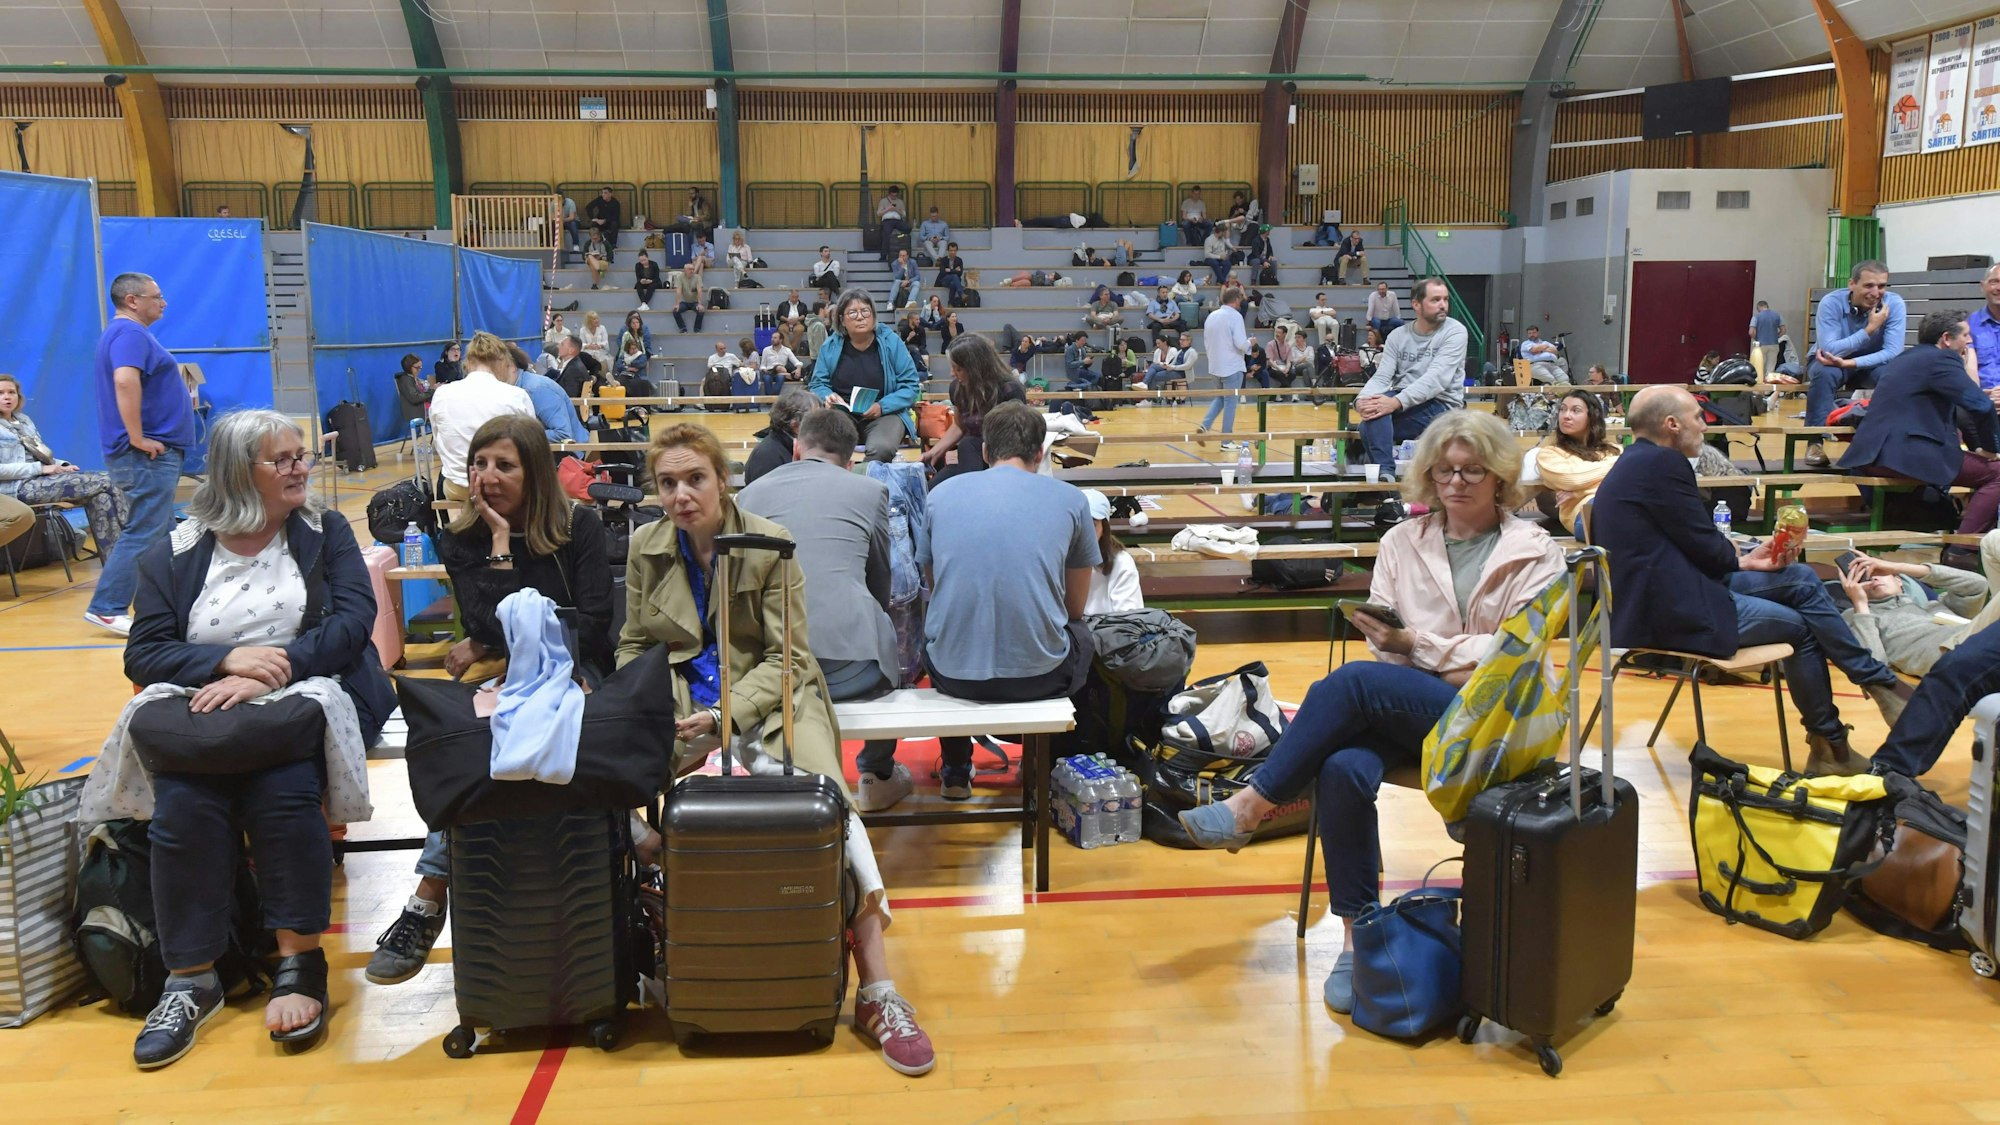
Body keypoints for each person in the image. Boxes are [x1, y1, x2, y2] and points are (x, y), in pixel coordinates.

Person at [1176, 410, 1565, 1012]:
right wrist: (1419, 655)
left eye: (1472, 471)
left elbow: (1512, 653)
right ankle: (1360, 939)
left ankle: (1252, 804)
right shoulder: (1400, 542)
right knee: (1342, 768)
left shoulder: (1533, 549)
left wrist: (1422, 649)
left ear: (1499, 478)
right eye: (1444, 471)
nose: (1456, 483)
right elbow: (1383, 635)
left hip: (1498, 719)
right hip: (1419, 708)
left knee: (1355, 685)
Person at [619, 422, 936, 1076]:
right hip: (681, 711)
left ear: (722, 479)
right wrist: (658, 702)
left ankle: (878, 987)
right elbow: (632, 644)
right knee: (611, 789)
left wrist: (721, 713)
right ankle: (673, 947)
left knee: (834, 811)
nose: (682, 494)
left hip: (774, 702)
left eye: (694, 478)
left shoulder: (771, 543)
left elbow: (787, 658)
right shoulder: (644, 548)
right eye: (668, 482)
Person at [109, 409, 393, 1067]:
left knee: (284, 786)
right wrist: (223, 662)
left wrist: (276, 667)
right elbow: (145, 651)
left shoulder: (325, 531)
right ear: (241, 472)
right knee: (182, 804)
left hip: (303, 697)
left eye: (301, 455)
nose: (300, 467)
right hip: (207, 705)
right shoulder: (177, 549)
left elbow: (354, 623)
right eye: (283, 458)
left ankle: (300, 960)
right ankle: (190, 978)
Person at [368, 414, 613, 987]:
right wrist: (501, 545)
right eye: (480, 464)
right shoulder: (464, 539)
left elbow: (595, 622)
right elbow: (488, 627)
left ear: (533, 471)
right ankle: (430, 898)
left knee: (515, 724)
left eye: (504, 464)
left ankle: (429, 895)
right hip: (513, 676)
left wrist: (510, 638)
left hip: (577, 669)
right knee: (476, 739)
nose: (488, 476)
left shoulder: (581, 527)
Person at [1591, 386, 1912, 776]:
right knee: (1803, 628)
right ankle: (1837, 739)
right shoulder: (1663, 464)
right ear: (1671, 425)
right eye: (1697, 417)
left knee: (1799, 577)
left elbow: (1693, 546)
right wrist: (1738, 559)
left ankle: (1864, 701)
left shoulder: (1636, 462)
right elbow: (1707, 549)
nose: (1704, 427)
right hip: (1671, 612)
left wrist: (1744, 561)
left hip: (1669, 594)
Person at [739, 407, 913, 812]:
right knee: (883, 621)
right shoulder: (868, 491)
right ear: (851, 459)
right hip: (853, 667)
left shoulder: (749, 495)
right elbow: (881, 581)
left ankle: (786, 766)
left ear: (797, 447)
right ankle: (876, 770)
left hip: (774, 670)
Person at [926, 402, 1099, 798]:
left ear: (985, 452)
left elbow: (937, 590)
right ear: (1040, 454)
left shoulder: (940, 495)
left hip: (953, 674)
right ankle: (1048, 767)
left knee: (940, 625)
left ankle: (955, 768)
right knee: (1084, 635)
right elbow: (1075, 608)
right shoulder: (1071, 500)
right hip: (1038, 676)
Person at [84, 272, 195, 636]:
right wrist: (137, 437)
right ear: (132, 300)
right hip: (145, 455)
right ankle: (107, 606)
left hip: (154, 454)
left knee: (163, 533)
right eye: (156, 296)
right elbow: (124, 380)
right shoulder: (129, 333)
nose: (163, 303)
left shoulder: (133, 334)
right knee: (145, 529)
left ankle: (169, 606)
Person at [1839, 310, 2000, 551]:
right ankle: (1961, 550)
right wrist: (1990, 450)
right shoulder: (1944, 360)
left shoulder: (1905, 358)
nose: (1969, 341)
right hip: (1903, 455)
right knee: (1997, 473)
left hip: (1870, 454)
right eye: (1965, 335)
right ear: (1946, 338)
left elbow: (1957, 410)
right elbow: (1981, 406)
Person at [0, 372, 130, 559]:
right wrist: (41, 469)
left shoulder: (24, 421)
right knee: (108, 479)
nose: (6, 397)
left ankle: (117, 565)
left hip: (41, 479)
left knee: (101, 498)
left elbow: (40, 453)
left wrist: (61, 465)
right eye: (1, 393)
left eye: (11, 392)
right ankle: (134, 539)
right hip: (17, 488)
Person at [1837, 532, 2000, 677]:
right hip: (1952, 654)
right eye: (1864, 577)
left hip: (1983, 639)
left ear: (1899, 580)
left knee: (1992, 539)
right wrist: (1860, 603)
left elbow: (1977, 585)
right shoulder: (1857, 617)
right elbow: (1874, 664)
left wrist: (1897, 566)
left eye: (1879, 572)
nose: (1874, 578)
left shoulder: (1933, 606)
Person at [1356, 278, 1467, 481]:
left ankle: (1385, 478)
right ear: (1416, 304)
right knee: (1373, 412)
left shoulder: (1455, 331)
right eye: (1435, 300)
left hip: (1441, 404)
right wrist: (1361, 400)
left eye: (1445, 299)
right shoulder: (1398, 336)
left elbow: (1436, 380)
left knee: (1368, 425)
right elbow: (1382, 376)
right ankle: (1386, 477)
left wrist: (1394, 402)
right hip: (1403, 400)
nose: (1443, 305)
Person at [1804, 260, 1907, 461]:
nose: (1876, 292)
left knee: (1896, 377)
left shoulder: (1894, 304)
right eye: (1868, 285)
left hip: (1870, 364)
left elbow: (1893, 352)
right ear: (1852, 284)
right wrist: (1869, 329)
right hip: (1830, 362)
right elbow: (1830, 350)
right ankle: (1814, 441)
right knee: (1824, 374)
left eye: (1882, 286)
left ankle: (1886, 441)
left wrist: (1851, 363)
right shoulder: (1831, 303)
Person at [809, 287, 924, 463]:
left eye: (865, 311)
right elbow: (817, 384)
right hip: (842, 413)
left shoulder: (891, 342)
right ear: (842, 319)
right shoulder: (830, 346)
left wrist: (882, 406)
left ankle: (865, 482)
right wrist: (828, 396)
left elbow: (910, 386)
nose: (860, 317)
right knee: (825, 447)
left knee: (882, 449)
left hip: (886, 413)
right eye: (853, 313)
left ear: (873, 316)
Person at [429, 332, 536, 500]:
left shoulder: (441, 394)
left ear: (468, 362)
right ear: (502, 362)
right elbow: (531, 445)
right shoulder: (517, 395)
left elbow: (438, 440)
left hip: (459, 486)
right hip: (503, 485)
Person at [924, 334, 1030, 486]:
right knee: (930, 489)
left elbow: (1016, 441)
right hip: (973, 459)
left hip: (1003, 460)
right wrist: (935, 451)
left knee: (969, 444)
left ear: (976, 367)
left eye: (958, 369)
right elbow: (960, 426)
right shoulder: (957, 387)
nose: (952, 374)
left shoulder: (1009, 390)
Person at [1529, 389, 1621, 536]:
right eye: (1563, 410)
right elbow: (1574, 479)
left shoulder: (1614, 450)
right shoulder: (1550, 454)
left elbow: (1629, 479)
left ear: (1592, 416)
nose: (1566, 416)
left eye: (1575, 410)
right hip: (1584, 513)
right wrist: (1619, 467)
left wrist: (1579, 491)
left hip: (1618, 506)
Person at [1195, 286, 1253, 444]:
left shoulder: (1212, 316)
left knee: (1221, 398)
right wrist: (1251, 343)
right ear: (1236, 300)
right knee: (1230, 404)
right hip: (1232, 367)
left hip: (1215, 366)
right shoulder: (1235, 316)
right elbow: (1241, 344)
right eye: (1240, 299)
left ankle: (1205, 426)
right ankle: (1226, 441)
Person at [1077, 488, 1142, 614]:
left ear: (1104, 528)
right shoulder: (1057, 557)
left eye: (1093, 524)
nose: (1085, 531)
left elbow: (1129, 619)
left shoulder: (1121, 563)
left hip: (1107, 631)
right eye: (1080, 523)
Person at [510, 343, 584, 446]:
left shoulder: (537, 389)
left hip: (568, 454)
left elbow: (562, 433)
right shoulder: (519, 387)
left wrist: (518, 437)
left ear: (512, 367)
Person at [744, 389, 817, 487]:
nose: (821, 426)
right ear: (795, 425)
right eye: (816, 421)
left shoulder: (796, 445)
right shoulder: (766, 456)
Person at [1971, 263, 2000, 396]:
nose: (1999, 288)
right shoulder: (1968, 326)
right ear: (1982, 286)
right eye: (1994, 282)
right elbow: (1967, 369)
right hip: (1982, 402)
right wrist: (1981, 399)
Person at [389, 353, 432, 433]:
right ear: (408, 367)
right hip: (416, 411)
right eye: (417, 367)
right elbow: (415, 398)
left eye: (420, 367)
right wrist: (432, 391)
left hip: (423, 407)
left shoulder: (413, 378)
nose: (419, 370)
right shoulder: (406, 380)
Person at [1264, 323, 1305, 400]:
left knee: (1292, 374)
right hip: (1273, 367)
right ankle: (1293, 393)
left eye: (1279, 333)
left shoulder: (1288, 346)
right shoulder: (1270, 344)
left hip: (1284, 366)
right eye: (1276, 332)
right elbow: (1270, 360)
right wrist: (1280, 369)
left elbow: (1289, 361)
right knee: (1280, 374)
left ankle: (1277, 393)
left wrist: (1286, 369)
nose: (1277, 334)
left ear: (1285, 334)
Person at [1748, 299, 1785, 378]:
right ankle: (1768, 390)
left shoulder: (1756, 317)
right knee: (1771, 368)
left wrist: (1757, 338)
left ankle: (1757, 389)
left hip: (1761, 345)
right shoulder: (1777, 315)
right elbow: (1783, 330)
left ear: (1759, 307)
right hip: (1774, 345)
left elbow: (1751, 332)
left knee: (1759, 367)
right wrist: (1776, 336)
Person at [551, 334, 593, 399]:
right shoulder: (573, 364)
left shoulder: (574, 370)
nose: (558, 346)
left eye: (562, 344)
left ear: (571, 350)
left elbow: (569, 396)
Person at [585, 186, 620, 263]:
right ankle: (593, 241)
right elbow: (588, 207)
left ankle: (613, 244)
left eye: (605, 193)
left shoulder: (615, 203)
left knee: (615, 224)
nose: (603, 194)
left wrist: (605, 221)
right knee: (593, 225)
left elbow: (616, 217)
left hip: (610, 222)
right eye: (602, 193)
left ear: (610, 194)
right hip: (599, 221)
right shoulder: (600, 199)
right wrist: (593, 218)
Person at [876, 186, 908, 259]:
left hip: (897, 220)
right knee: (886, 233)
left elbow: (904, 214)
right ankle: (884, 255)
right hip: (887, 220)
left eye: (895, 196)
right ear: (889, 194)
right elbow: (879, 213)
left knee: (907, 228)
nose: (894, 197)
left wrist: (896, 209)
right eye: (892, 195)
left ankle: (901, 245)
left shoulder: (900, 202)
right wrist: (887, 209)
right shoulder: (883, 201)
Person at [670, 267, 705, 334]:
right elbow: (678, 291)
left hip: (695, 302)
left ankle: (697, 329)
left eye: (693, 269)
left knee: (701, 310)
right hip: (684, 302)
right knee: (675, 310)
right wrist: (677, 304)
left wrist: (700, 304)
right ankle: (683, 329)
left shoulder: (697, 277)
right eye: (690, 269)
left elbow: (700, 291)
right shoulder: (680, 277)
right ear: (685, 271)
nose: (692, 271)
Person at [934, 241, 966, 305]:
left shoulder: (959, 260)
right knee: (954, 276)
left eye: (954, 251)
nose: (953, 252)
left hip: (954, 280)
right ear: (948, 251)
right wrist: (954, 270)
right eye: (951, 250)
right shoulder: (943, 260)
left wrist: (949, 270)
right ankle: (961, 294)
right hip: (944, 280)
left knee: (953, 283)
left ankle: (950, 303)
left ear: (957, 251)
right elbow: (942, 272)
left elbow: (960, 273)